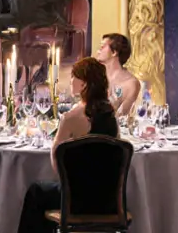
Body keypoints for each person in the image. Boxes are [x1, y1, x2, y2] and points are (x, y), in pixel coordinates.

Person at [17, 57, 119, 233]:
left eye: (74, 76)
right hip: (109, 201)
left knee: (36, 192)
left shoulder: (70, 118)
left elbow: (57, 162)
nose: (71, 80)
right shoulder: (111, 115)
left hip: (76, 202)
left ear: (85, 84)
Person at [95, 33, 140, 118]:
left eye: (102, 47)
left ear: (114, 52)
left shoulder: (131, 84)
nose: (98, 50)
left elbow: (120, 116)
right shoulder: (94, 78)